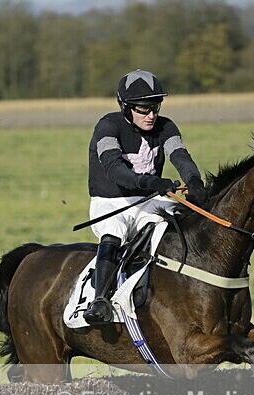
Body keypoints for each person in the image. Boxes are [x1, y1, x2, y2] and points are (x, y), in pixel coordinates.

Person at [83, 68, 206, 326]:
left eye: (155, 107)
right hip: (110, 203)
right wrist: (149, 181)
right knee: (114, 232)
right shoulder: (107, 126)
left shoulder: (165, 126)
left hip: (148, 200)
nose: (151, 115)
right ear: (124, 107)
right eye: (143, 109)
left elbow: (180, 157)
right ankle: (100, 300)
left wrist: (194, 180)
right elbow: (115, 170)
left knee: (184, 220)